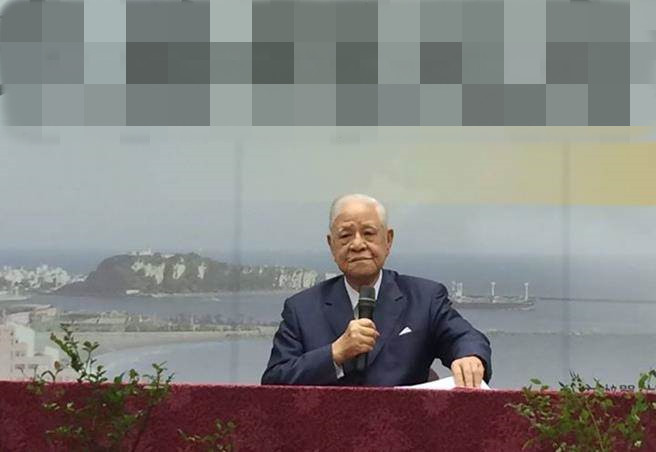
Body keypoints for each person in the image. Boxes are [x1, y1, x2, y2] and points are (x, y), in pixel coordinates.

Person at [261, 194, 491, 387]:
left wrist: (470, 356)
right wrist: (335, 354)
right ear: (331, 245)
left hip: (405, 423)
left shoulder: (425, 298)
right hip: (329, 425)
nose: (357, 244)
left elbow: (466, 338)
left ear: (388, 240)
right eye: (345, 236)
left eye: (369, 233)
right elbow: (274, 381)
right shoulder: (301, 309)